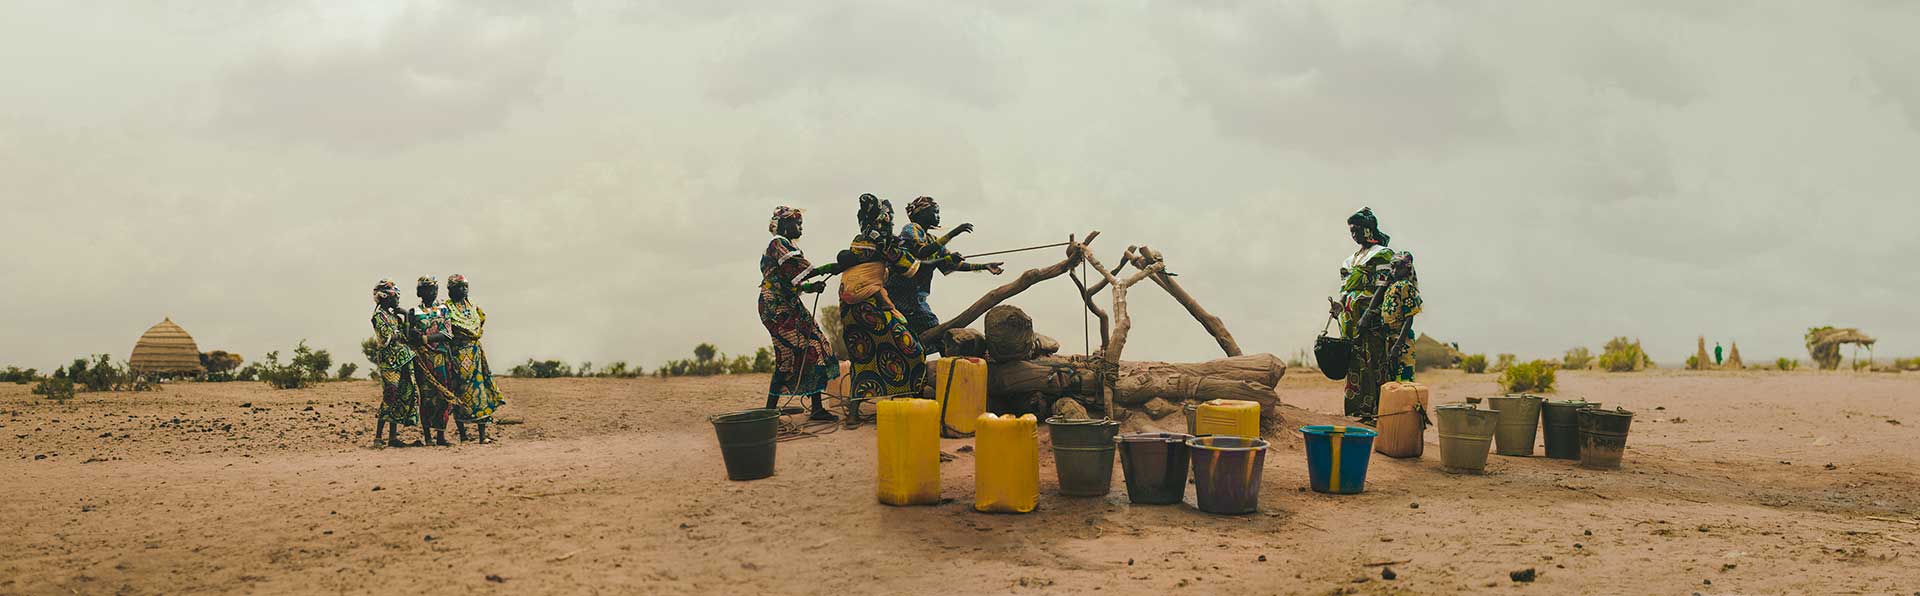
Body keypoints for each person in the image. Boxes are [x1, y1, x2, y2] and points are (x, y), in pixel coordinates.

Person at [802, 194, 929, 405]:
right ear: (883, 219)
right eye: (891, 219)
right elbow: (910, 268)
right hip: (868, 307)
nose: (893, 223)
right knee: (913, 349)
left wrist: (812, 275)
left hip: (848, 309)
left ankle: (854, 409)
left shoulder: (859, 243)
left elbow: (839, 264)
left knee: (862, 358)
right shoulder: (885, 246)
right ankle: (909, 399)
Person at [758, 207, 841, 420]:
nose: (801, 227)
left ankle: (816, 408)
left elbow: (789, 280)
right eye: (797, 223)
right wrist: (828, 268)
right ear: (784, 225)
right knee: (789, 355)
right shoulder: (777, 243)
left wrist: (809, 288)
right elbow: (795, 269)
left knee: (817, 344)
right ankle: (769, 412)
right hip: (776, 307)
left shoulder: (787, 246)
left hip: (789, 303)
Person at [887, 196, 1004, 342]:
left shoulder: (933, 240)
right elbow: (921, 252)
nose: (938, 216)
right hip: (903, 294)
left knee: (919, 336)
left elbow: (951, 264)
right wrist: (953, 233)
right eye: (935, 212)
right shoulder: (911, 229)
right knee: (934, 330)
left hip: (917, 297)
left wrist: (984, 266)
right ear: (921, 213)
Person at [1329, 207, 1396, 420]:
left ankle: (1374, 410)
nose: (1354, 234)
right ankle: (1355, 409)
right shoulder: (1351, 259)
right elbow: (1345, 289)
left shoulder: (1383, 254)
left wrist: (1368, 313)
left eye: (1357, 229)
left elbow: (1382, 286)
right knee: (1354, 362)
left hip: (1371, 319)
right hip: (1349, 319)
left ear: (1369, 229)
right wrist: (1339, 306)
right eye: (1351, 231)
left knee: (1373, 360)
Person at [446, 274, 504, 443]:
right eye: (459, 287)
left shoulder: (474, 308)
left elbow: (480, 323)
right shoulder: (446, 309)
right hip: (456, 354)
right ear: (450, 290)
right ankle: (463, 435)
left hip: (475, 354)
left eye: (465, 286)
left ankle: (482, 435)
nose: (463, 290)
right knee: (460, 393)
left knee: (481, 392)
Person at [409, 276, 460, 446]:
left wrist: (424, 338)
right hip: (423, 361)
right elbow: (410, 336)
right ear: (420, 292)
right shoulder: (414, 312)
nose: (432, 292)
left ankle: (440, 436)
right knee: (426, 397)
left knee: (443, 397)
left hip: (441, 358)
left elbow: (447, 334)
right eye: (427, 289)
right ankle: (427, 437)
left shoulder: (443, 309)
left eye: (434, 289)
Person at [369, 280, 420, 447]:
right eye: (394, 296)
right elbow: (387, 337)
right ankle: (378, 436)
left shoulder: (395, 317)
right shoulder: (378, 316)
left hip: (403, 359)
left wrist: (405, 315)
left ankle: (392, 437)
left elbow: (405, 335)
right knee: (390, 393)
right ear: (384, 297)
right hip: (389, 361)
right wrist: (399, 333)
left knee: (402, 394)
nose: (397, 299)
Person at [1374, 252, 1423, 384]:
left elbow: (1409, 319)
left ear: (1407, 268)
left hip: (1402, 342)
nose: (1394, 271)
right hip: (1389, 340)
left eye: (1398, 267)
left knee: (1404, 380)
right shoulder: (1391, 287)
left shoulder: (1406, 286)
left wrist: (1397, 346)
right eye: (1392, 267)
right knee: (1391, 381)